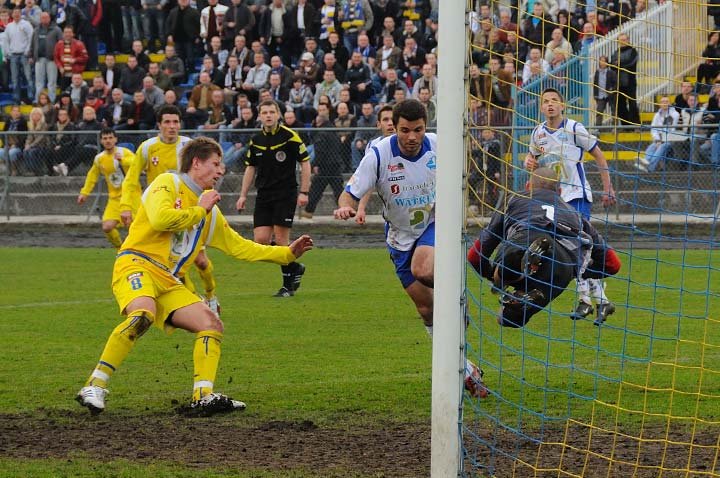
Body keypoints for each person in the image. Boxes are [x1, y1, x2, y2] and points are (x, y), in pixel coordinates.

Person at [76, 136, 314, 415]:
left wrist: (286, 254)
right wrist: (200, 208)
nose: (221, 170)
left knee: (212, 323)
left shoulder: (210, 213)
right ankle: (95, 385)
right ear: (196, 163)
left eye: (221, 165)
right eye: (215, 164)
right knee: (143, 313)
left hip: (167, 278)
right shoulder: (167, 183)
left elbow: (240, 247)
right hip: (135, 263)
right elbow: (160, 219)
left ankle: (204, 395)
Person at [333, 99, 487, 398]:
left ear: (425, 127)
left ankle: (455, 295)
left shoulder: (440, 146)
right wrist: (344, 209)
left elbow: (462, 180)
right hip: (399, 236)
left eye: (418, 130)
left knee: (423, 268)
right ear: (395, 127)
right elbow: (348, 194)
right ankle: (465, 368)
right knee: (426, 308)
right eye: (405, 130)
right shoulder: (378, 154)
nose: (412, 137)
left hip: (433, 222)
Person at [467, 168, 622, 327]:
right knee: (508, 319)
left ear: (528, 186)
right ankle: (526, 288)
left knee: (504, 273)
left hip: (526, 237)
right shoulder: (577, 216)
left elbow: (474, 256)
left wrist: (492, 277)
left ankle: (512, 270)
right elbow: (613, 264)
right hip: (561, 268)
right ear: (560, 192)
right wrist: (575, 273)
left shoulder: (513, 200)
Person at [524, 88, 617, 324]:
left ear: (562, 105)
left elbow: (599, 156)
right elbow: (534, 163)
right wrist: (529, 164)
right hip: (556, 199)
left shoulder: (575, 129)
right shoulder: (538, 134)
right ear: (542, 108)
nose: (550, 105)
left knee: (577, 248)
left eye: (555, 100)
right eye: (546, 102)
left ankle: (586, 300)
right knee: (573, 250)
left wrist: (608, 188)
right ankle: (600, 301)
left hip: (577, 195)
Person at [120, 105, 222, 316]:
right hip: (163, 215)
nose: (172, 126)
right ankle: (195, 304)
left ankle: (211, 294)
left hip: (189, 215)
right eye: (167, 122)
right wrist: (126, 206)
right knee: (172, 267)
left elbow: (203, 177)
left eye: (175, 122)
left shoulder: (188, 146)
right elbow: (131, 179)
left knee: (201, 262)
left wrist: (206, 206)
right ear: (159, 125)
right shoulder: (147, 148)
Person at [236, 99, 311, 298]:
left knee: (280, 240)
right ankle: (294, 266)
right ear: (259, 116)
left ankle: (288, 287)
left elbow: (305, 163)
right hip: (263, 195)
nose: (268, 115)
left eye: (272, 112)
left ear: (278, 114)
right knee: (260, 241)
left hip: (285, 194)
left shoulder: (290, 137)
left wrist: (304, 191)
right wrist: (243, 195)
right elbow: (250, 168)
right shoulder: (256, 140)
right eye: (264, 112)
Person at [77, 128, 139, 248]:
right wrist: (84, 193)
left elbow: (136, 163)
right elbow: (92, 176)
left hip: (131, 197)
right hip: (114, 199)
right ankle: (120, 249)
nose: (108, 141)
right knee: (107, 227)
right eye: (105, 138)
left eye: (110, 138)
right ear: (101, 141)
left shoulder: (124, 152)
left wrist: (123, 160)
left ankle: (136, 252)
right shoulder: (99, 158)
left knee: (134, 228)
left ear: (115, 139)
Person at [353, 104, 395, 225]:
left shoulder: (410, 143)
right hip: (391, 212)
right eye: (386, 120)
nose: (390, 123)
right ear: (378, 124)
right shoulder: (373, 146)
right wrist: (361, 209)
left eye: (393, 119)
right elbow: (368, 180)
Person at [636, 96, 681, 172]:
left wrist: (662, 141)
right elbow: (653, 129)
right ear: (660, 104)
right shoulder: (657, 115)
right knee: (652, 146)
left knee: (662, 146)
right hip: (659, 139)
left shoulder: (675, 114)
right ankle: (645, 162)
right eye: (663, 102)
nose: (664, 103)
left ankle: (650, 168)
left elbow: (672, 130)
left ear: (669, 103)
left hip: (670, 139)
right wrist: (657, 140)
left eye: (666, 102)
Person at [610, 33, 640, 126]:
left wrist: (618, 64)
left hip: (630, 82)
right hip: (618, 83)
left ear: (628, 40)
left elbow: (630, 63)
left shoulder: (633, 51)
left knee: (632, 104)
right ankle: (626, 126)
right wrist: (617, 65)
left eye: (624, 40)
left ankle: (635, 125)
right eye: (620, 40)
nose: (622, 42)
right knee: (620, 105)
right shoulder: (616, 52)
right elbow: (612, 65)